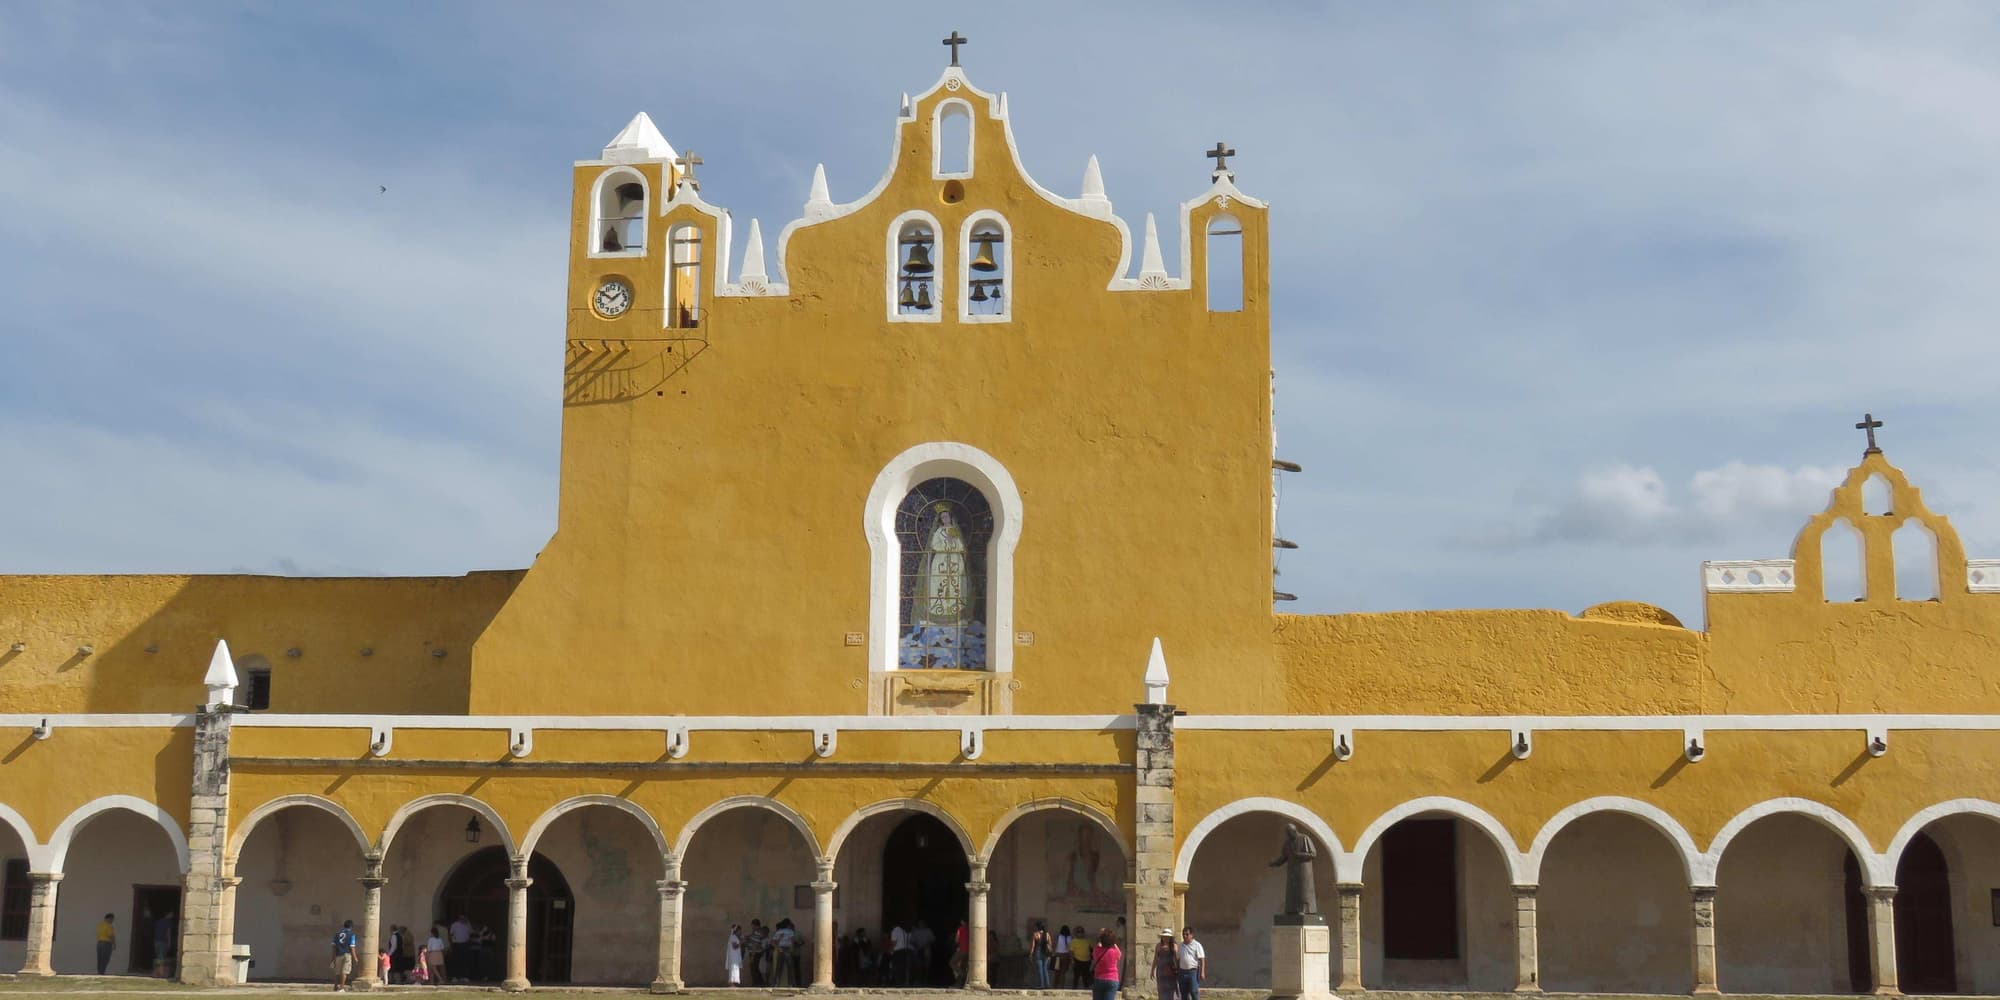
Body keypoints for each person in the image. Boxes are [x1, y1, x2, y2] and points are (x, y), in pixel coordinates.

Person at [1089, 928, 1122, 1000]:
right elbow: (1119, 954)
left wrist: (1101, 936)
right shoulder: (1115, 952)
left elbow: (1097, 946)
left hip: (1099, 978)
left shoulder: (1097, 950)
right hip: (1113, 979)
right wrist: (1113, 942)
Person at [1176, 927, 1206, 1000]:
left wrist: (1202, 972)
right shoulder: (1180, 946)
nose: (1185, 936)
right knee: (1183, 993)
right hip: (1182, 972)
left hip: (1192, 972)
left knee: (1193, 991)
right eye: (1183, 934)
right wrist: (1177, 970)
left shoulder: (1197, 945)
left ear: (1192, 935)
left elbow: (1202, 959)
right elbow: (1178, 959)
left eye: (1187, 934)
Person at [1153, 929, 1179, 1000]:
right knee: (1161, 990)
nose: (1165, 938)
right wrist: (1152, 970)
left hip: (1171, 971)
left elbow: (1177, 959)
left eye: (1167, 937)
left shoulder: (1174, 946)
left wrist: (1178, 970)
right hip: (1161, 971)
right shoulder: (1158, 946)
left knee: (1171, 990)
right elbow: (1155, 958)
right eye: (1164, 937)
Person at [772, 918, 797, 987]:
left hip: (780, 949)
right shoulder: (790, 931)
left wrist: (778, 948)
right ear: (788, 925)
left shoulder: (779, 931)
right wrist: (792, 949)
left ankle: (776, 984)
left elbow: (773, 942)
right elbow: (792, 941)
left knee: (779, 967)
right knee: (790, 967)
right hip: (788, 949)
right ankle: (791, 984)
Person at [448, 914, 473, 984]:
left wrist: (468, 923)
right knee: (456, 961)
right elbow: (450, 934)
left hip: (465, 944)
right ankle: (455, 977)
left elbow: (471, 932)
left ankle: (465, 977)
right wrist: (452, 943)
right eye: (461, 918)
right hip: (457, 945)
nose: (462, 919)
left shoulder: (467, 924)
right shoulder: (454, 925)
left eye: (464, 918)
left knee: (465, 961)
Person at [152, 910, 177, 978]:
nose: (172, 915)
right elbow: (168, 933)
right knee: (162, 959)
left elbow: (155, 930)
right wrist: (169, 943)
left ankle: (157, 972)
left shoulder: (158, 921)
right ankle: (161, 974)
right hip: (163, 942)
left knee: (158, 957)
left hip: (156, 941)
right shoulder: (168, 922)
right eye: (171, 913)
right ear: (168, 914)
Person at [1029, 922, 1053, 989]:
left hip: (1038, 952)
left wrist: (1031, 954)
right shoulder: (1047, 934)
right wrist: (1050, 955)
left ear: (1038, 927)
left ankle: (1042, 984)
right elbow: (1050, 945)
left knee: (1040, 969)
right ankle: (1047, 984)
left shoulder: (1035, 934)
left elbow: (1033, 946)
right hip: (1046, 952)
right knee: (1045, 969)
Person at [1069, 924, 1092, 988]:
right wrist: (1072, 960)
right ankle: (1074, 989)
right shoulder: (1074, 941)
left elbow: (1090, 950)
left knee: (1085, 977)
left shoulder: (1087, 941)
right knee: (1076, 976)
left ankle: (1086, 988)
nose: (1080, 933)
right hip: (1077, 960)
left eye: (1081, 932)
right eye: (1078, 932)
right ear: (1076, 933)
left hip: (1086, 961)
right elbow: (1071, 952)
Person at [950, 919, 969, 985]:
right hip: (970, 951)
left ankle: (962, 974)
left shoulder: (960, 929)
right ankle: (960, 981)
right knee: (963, 966)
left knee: (952, 963)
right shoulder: (970, 929)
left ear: (962, 922)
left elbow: (956, 940)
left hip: (962, 950)